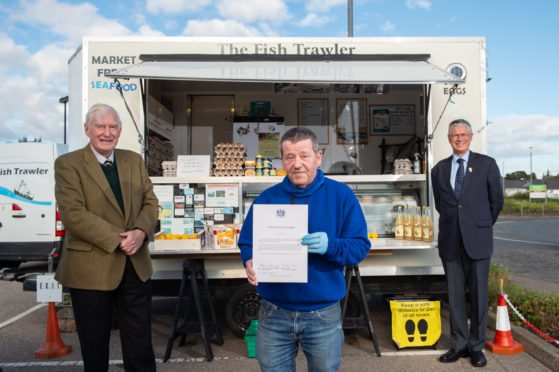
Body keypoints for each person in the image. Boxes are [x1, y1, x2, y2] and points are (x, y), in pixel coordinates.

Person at [238, 127, 371, 372]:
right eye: (290, 157)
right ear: (282, 161)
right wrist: (249, 259)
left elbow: (360, 247)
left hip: (322, 314)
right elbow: (247, 242)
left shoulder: (341, 196)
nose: (297, 164)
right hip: (274, 311)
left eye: (304, 156)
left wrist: (330, 245)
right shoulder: (266, 199)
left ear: (318, 157)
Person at [54, 103, 159, 372]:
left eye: (113, 126)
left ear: (120, 131)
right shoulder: (68, 164)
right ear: (87, 130)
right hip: (91, 267)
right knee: (94, 346)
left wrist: (140, 232)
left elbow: (150, 203)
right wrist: (120, 238)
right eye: (100, 126)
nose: (107, 132)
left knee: (140, 346)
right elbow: (73, 214)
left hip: (134, 265)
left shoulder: (133, 160)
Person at [431, 119, 503, 368]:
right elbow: (442, 205)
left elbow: (497, 202)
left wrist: (478, 227)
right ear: (449, 139)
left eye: (463, 134)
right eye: (454, 135)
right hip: (451, 241)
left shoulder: (487, 165)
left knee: (480, 296)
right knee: (455, 297)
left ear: (471, 137)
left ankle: (476, 347)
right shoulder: (439, 169)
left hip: (478, 241)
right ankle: (459, 344)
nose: (459, 138)